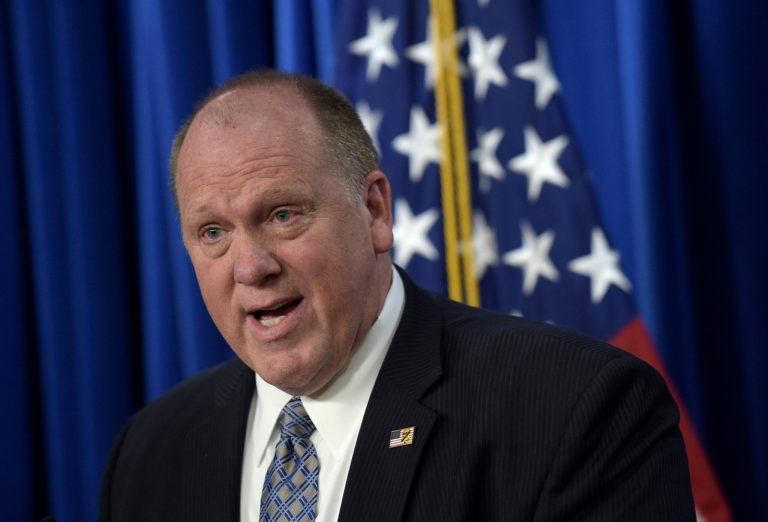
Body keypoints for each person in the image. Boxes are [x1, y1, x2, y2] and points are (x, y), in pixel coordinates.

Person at [99, 69, 696, 521]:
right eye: (213, 234)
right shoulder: (150, 453)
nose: (251, 267)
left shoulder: (577, 408)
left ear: (375, 210)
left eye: (282, 215)